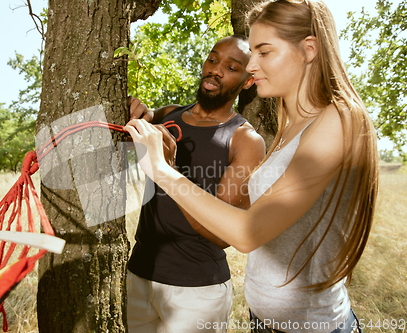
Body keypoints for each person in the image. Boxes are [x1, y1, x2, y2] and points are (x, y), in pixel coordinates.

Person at [124, 1, 379, 333]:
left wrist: (163, 169)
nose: (252, 66)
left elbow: (247, 233)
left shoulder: (339, 121)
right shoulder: (293, 126)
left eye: (264, 52)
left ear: (309, 49)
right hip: (265, 323)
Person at [126, 34, 266, 333]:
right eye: (213, 59)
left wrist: (168, 168)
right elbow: (144, 121)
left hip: (195, 291)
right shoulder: (168, 116)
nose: (216, 69)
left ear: (248, 80)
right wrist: (138, 113)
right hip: (139, 274)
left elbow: (223, 235)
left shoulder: (245, 141)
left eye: (231, 67)